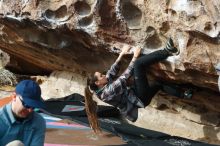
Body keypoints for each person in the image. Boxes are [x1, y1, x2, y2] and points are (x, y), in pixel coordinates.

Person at [85, 38, 192, 133]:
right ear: (98, 83)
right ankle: (167, 51)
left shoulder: (99, 89)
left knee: (159, 84)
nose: (103, 75)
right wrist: (135, 57)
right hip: (139, 97)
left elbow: (111, 72)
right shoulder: (107, 92)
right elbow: (124, 76)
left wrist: (122, 54)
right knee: (138, 64)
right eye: (100, 76)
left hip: (138, 96)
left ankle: (185, 94)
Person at [0, 80, 46, 146]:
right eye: (27, 105)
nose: (30, 110)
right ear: (14, 97)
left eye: (33, 107)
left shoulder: (38, 122)